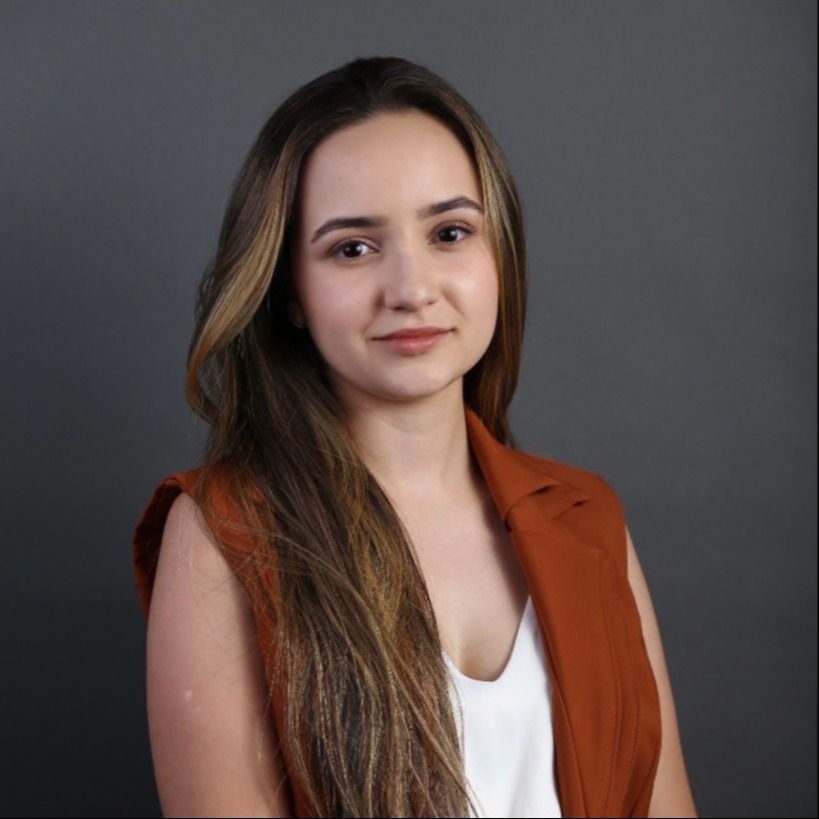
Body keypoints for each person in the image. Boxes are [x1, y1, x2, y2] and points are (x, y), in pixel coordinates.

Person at [132, 56, 698, 818]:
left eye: (449, 232)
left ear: (497, 254)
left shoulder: (585, 517)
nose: (412, 289)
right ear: (290, 291)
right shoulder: (223, 531)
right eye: (352, 247)